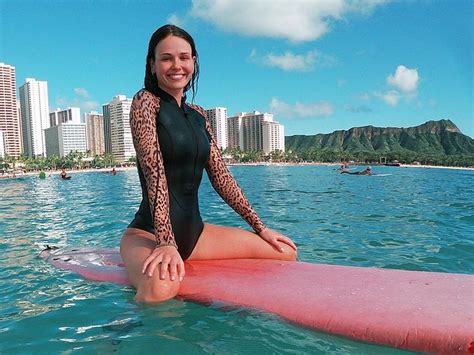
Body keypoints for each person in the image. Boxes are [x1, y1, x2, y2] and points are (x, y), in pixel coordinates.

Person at [121, 24, 297, 304]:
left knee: (285, 252)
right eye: (166, 58)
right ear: (153, 65)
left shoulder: (200, 116)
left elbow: (222, 177)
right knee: (162, 288)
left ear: (193, 62)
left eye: (184, 57)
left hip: (195, 236)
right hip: (149, 235)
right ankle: (123, 327)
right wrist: (166, 243)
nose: (176, 65)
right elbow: (154, 174)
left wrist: (260, 227)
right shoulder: (146, 102)